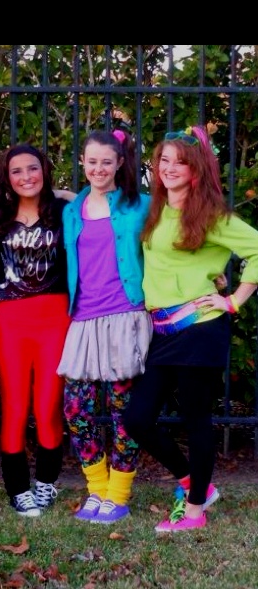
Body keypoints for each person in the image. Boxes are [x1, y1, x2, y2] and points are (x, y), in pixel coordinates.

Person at [123, 125, 258, 532]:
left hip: (199, 328)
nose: (169, 168)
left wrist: (233, 299)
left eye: (180, 162)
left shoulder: (212, 214)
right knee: (137, 419)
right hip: (163, 330)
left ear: (196, 169)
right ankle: (195, 484)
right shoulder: (157, 209)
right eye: (163, 160)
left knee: (196, 419)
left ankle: (195, 511)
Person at [57, 129, 152, 524]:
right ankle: (96, 489)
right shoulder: (71, 211)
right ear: (82, 162)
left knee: (122, 412)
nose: (98, 169)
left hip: (125, 315)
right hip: (83, 319)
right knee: (75, 409)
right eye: (92, 161)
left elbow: (177, 237)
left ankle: (119, 494)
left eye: (106, 162)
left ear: (119, 164)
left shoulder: (141, 205)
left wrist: (211, 273)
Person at [0, 143, 71, 517]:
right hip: (11, 321)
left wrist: (63, 193)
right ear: (6, 177)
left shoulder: (64, 211)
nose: (26, 177)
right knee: (15, 406)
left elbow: (102, 204)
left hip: (55, 319)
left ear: (44, 170)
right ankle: (19, 488)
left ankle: (47, 481)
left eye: (32, 168)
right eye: (17, 171)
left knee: (48, 405)